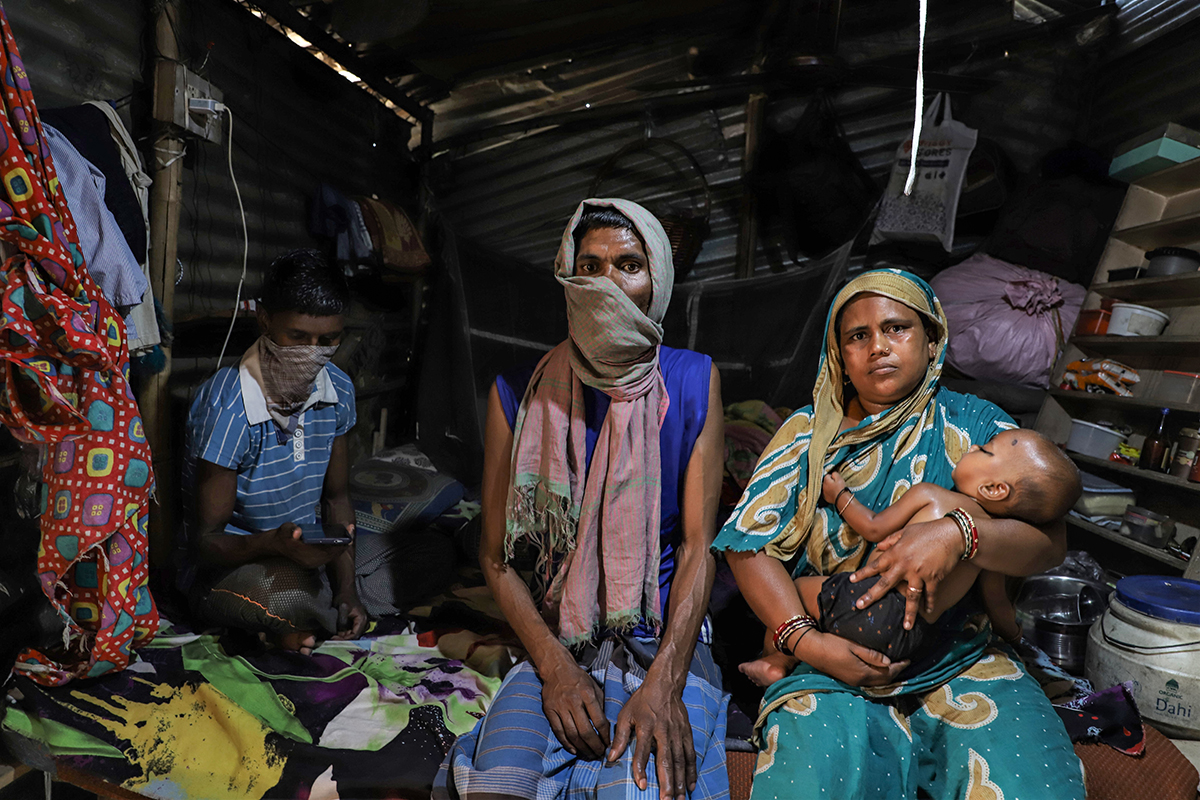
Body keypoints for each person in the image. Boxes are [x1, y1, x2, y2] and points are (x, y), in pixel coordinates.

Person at [713, 269, 1085, 800]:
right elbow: (746, 546)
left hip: (959, 654)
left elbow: (1050, 543)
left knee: (1031, 784)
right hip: (834, 656)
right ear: (839, 352)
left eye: (897, 329)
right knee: (815, 781)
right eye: (857, 336)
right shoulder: (807, 434)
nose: (877, 348)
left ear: (932, 338)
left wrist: (959, 535)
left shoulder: (979, 428)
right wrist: (808, 642)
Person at [434, 199, 728, 800]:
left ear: (658, 281)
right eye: (589, 266)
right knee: (501, 788)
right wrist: (556, 669)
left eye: (628, 265)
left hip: (665, 633)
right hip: (560, 636)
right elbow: (495, 559)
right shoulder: (517, 393)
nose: (608, 284)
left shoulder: (695, 379)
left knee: (641, 787)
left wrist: (665, 682)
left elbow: (701, 545)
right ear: (567, 277)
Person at [181, 249, 452, 654]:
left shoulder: (338, 389)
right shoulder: (229, 406)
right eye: (298, 337)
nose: (313, 353)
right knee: (286, 597)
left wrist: (346, 587)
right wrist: (274, 543)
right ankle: (299, 613)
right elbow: (206, 542)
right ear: (265, 321)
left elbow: (337, 500)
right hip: (237, 565)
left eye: (328, 340)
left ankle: (315, 615)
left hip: (310, 553)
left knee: (433, 552)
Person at [740, 427, 1082, 687]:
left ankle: (776, 659)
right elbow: (997, 603)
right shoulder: (989, 550)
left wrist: (840, 493)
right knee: (839, 625)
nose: (973, 447)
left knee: (796, 590)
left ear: (994, 488)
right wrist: (1017, 638)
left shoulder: (930, 495)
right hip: (908, 637)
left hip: (865, 600)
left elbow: (873, 528)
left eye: (985, 450)